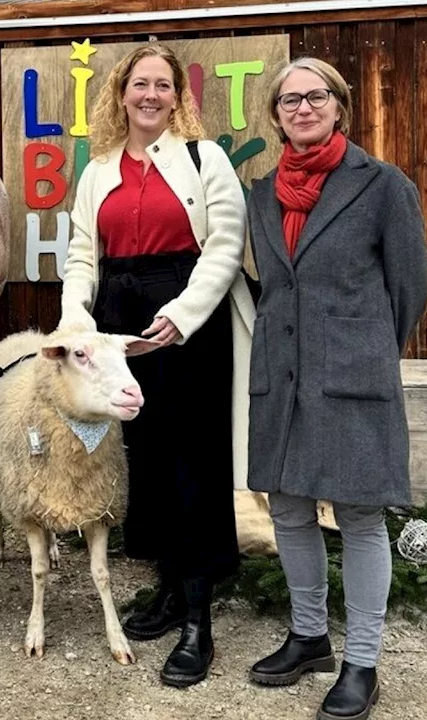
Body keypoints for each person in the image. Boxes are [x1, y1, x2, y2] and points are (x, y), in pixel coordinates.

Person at [58, 44, 256, 689]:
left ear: (178, 96)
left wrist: (185, 312)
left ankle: (199, 617)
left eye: (162, 86)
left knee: (192, 458)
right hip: (118, 311)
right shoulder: (98, 170)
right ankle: (169, 589)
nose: (149, 95)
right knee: (143, 453)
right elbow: (83, 253)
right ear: (121, 94)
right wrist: (77, 319)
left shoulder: (206, 159)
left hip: (186, 315)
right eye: (138, 85)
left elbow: (225, 243)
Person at [243, 57, 427, 720]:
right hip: (282, 375)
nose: (302, 108)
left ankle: (363, 663)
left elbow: (409, 291)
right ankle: (310, 636)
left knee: (358, 514)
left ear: (338, 105)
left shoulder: (382, 185)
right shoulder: (261, 195)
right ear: (276, 116)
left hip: (352, 375)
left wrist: (362, 349)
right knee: (288, 509)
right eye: (289, 101)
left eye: (314, 96)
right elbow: (272, 287)